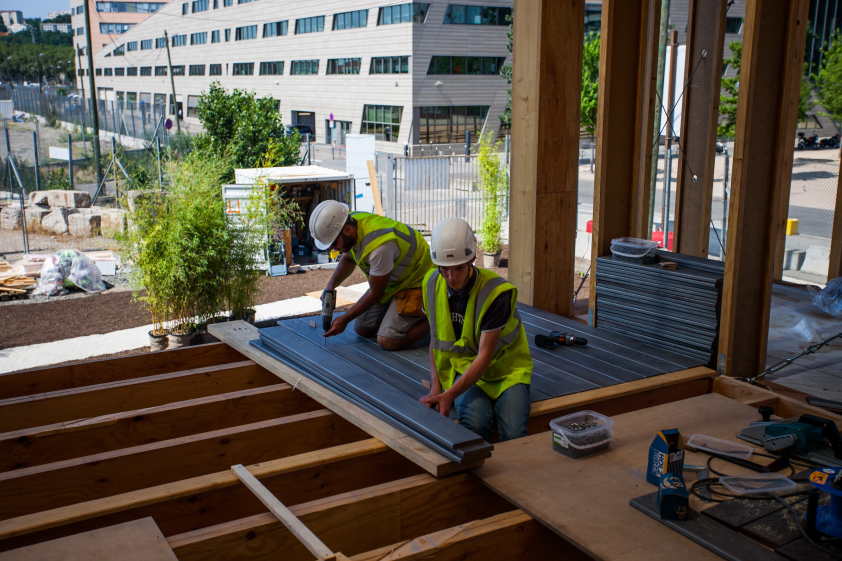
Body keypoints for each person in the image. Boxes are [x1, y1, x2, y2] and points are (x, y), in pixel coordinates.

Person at [419, 218, 533, 442]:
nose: (451, 277)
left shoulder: (495, 294)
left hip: (506, 372)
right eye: (444, 269)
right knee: (475, 425)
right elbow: (436, 340)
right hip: (464, 368)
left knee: (513, 434)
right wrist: (436, 389)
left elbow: (484, 357)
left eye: (459, 268)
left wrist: (450, 394)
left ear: (472, 259)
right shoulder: (431, 284)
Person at [310, 200, 434, 350]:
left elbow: (376, 293)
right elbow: (349, 258)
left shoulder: (379, 247)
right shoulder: (350, 222)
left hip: (418, 282)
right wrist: (331, 286)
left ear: (347, 229)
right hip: (395, 283)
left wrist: (345, 319)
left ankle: (438, 318)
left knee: (387, 340)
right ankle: (398, 315)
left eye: (333, 244)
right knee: (362, 328)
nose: (332, 249)